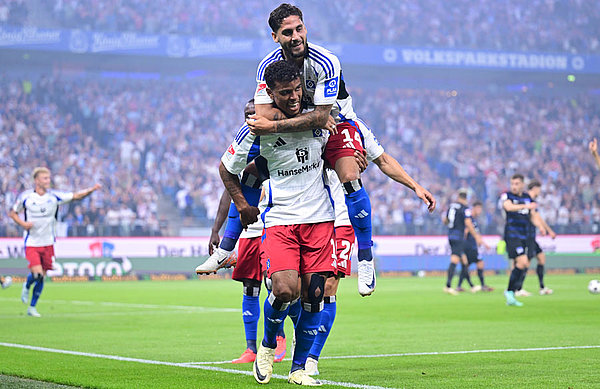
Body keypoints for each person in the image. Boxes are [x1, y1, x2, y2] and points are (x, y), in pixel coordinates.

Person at [247, 3, 435, 297]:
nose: (296, 36)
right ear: (275, 36)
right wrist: (284, 123)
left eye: (299, 29)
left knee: (349, 173)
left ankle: (366, 256)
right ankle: (228, 244)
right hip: (303, 163)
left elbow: (381, 157)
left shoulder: (326, 62)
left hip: (336, 132)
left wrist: (416, 186)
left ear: (306, 28)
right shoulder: (267, 67)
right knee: (247, 171)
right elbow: (263, 115)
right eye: (287, 32)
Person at [221, 60, 336, 385]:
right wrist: (242, 205)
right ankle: (269, 344)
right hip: (282, 219)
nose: (294, 97)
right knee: (285, 289)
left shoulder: (320, 115)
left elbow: (343, 145)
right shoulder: (255, 128)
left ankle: (298, 368)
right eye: (285, 94)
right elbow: (227, 168)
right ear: (269, 93)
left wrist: (350, 157)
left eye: (298, 90)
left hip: (320, 220)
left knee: (313, 295)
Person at [9, 167, 100, 317]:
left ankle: (32, 307)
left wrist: (92, 190)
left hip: (48, 242)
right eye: (45, 178)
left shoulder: (54, 196)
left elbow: (76, 196)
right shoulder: (26, 197)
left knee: (42, 276)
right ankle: (26, 285)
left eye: (48, 178)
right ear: (37, 180)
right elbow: (12, 213)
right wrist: (23, 224)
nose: (48, 181)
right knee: (37, 274)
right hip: (32, 242)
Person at [500, 174, 545, 307]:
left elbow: (532, 216)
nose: (514, 186)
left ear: (522, 185)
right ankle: (510, 292)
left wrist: (541, 227)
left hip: (524, 236)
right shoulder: (507, 196)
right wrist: (524, 206)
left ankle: (511, 292)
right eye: (512, 183)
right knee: (522, 261)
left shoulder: (527, 198)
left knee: (523, 264)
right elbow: (508, 207)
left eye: (517, 184)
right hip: (512, 235)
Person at [520, 180, 556, 296]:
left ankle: (542, 287)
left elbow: (538, 216)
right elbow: (534, 217)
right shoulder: (527, 199)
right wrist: (541, 227)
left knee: (541, 258)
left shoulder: (532, 201)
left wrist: (548, 230)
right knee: (526, 262)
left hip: (531, 235)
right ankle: (518, 288)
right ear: (535, 188)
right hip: (526, 235)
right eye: (539, 189)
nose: (540, 191)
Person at [442, 190, 481, 295]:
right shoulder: (465, 209)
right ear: (466, 198)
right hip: (458, 236)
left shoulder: (452, 206)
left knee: (464, 261)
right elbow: (468, 222)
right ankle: (448, 286)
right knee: (455, 259)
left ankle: (472, 286)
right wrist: (476, 236)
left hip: (451, 235)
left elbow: (445, 220)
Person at [457, 201, 494, 292]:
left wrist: (485, 244)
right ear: (473, 208)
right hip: (469, 246)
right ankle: (482, 285)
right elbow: (465, 231)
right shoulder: (468, 220)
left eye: (480, 209)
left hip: (472, 245)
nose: (479, 211)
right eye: (478, 208)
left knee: (466, 266)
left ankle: (459, 286)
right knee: (479, 262)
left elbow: (477, 234)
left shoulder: (473, 220)